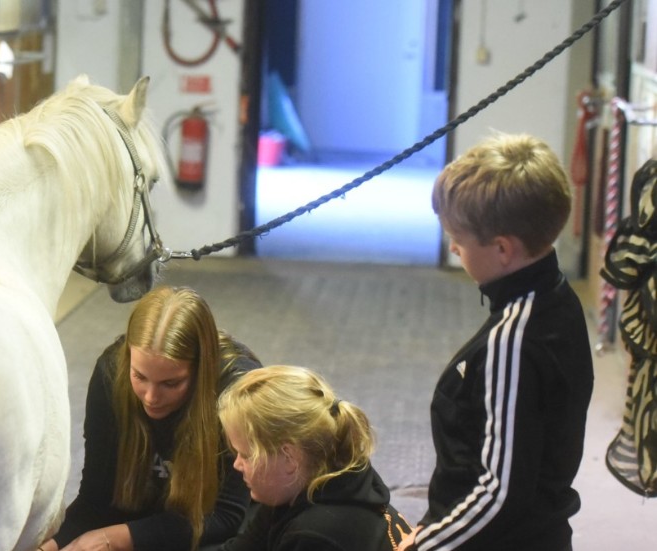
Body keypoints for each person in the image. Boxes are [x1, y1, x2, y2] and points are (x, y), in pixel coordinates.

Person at [400, 133, 594, 551]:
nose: (453, 247)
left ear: (503, 249)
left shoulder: (513, 341)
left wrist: (425, 545)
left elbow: (500, 495)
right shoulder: (557, 297)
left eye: (459, 239)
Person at [43, 285, 261, 551]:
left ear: (201, 368)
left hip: (214, 530)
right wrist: (51, 546)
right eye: (140, 377)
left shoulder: (236, 388)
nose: (150, 397)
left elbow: (226, 516)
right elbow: (96, 498)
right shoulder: (111, 374)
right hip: (144, 515)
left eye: (171, 383)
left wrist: (116, 537)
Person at [216, 365, 412, 551]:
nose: (237, 464)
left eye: (246, 455)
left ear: (289, 458)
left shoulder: (318, 534)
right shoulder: (301, 487)